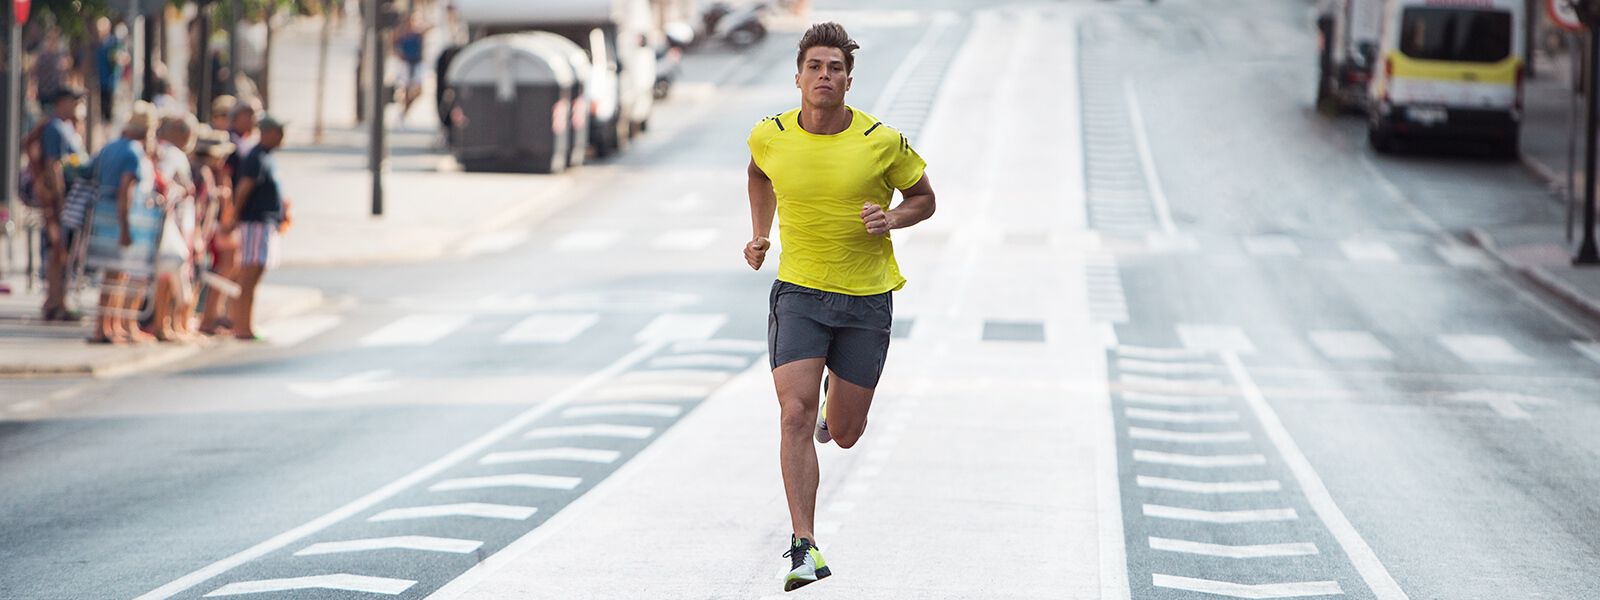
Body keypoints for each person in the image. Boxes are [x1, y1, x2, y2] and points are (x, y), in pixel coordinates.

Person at [744, 22, 937, 592]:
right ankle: (805, 546)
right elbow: (758, 172)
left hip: (865, 299)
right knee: (793, 415)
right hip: (799, 293)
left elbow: (925, 197)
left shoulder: (882, 141)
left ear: (848, 81)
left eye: (835, 69)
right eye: (814, 67)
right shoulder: (770, 134)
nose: (824, 76)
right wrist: (760, 233)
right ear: (799, 76)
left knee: (846, 433)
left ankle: (838, 407)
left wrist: (894, 218)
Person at [86, 102, 159, 344]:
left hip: (102, 215)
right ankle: (105, 327)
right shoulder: (133, 152)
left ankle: (108, 326)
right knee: (118, 274)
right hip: (119, 218)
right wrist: (126, 228)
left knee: (112, 274)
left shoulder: (109, 147)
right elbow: (125, 190)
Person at [227, 114, 289, 341]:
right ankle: (241, 325)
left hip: (266, 223)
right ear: (268, 133)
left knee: (256, 274)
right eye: (279, 132)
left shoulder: (267, 156)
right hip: (255, 222)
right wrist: (234, 216)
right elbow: (244, 188)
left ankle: (247, 324)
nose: (283, 137)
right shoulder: (256, 157)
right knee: (248, 275)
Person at [34, 87, 89, 322]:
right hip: (61, 200)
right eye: (73, 102)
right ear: (61, 102)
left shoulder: (67, 127)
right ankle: (55, 302)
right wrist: (59, 199)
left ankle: (57, 300)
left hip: (67, 199)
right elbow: (53, 164)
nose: (77, 107)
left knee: (62, 251)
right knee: (58, 250)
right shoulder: (55, 128)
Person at [150, 115, 199, 342]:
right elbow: (163, 181)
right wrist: (183, 191)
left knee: (172, 274)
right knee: (169, 273)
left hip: (177, 222)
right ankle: (162, 323)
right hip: (174, 222)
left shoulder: (167, 152)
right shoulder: (172, 154)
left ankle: (168, 323)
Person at [194, 128, 237, 336]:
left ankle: (212, 314)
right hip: (205, 231)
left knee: (218, 269)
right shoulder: (204, 172)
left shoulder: (215, 173)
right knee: (204, 272)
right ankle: (207, 317)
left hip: (209, 229)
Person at [393, 13, 431, 121]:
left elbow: (429, 28)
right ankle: (404, 110)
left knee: (418, 90)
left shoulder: (418, 34)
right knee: (405, 89)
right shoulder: (401, 34)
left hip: (417, 63)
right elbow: (393, 47)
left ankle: (406, 108)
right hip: (405, 64)